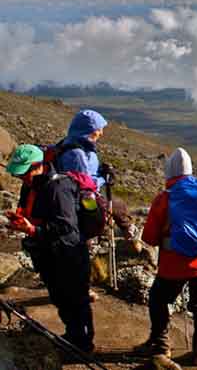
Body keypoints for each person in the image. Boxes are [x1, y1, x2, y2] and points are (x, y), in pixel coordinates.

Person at [4, 144, 95, 352]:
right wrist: (21, 221)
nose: (21, 178)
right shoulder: (30, 185)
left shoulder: (58, 188)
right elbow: (30, 211)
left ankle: (82, 343)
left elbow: (66, 226)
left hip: (69, 254)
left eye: (23, 173)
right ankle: (73, 336)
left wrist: (33, 229)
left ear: (37, 166)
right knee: (60, 297)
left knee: (75, 300)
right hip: (48, 254)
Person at [137, 148, 197, 367]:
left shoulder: (165, 198)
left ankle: (160, 345)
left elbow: (150, 237)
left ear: (169, 172)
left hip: (174, 263)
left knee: (159, 299)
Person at [56, 109, 136, 240]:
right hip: (82, 200)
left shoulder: (75, 143)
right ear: (87, 129)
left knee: (116, 206)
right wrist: (103, 178)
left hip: (82, 196)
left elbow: (87, 172)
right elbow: (84, 184)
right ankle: (128, 234)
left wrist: (100, 171)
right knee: (115, 206)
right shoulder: (76, 154)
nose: (101, 133)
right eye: (98, 129)